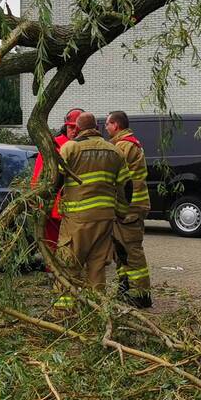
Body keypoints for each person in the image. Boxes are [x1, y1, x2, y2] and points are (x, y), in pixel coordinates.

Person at [53, 111, 126, 309]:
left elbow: (55, 181)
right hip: (104, 218)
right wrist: (121, 211)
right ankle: (96, 312)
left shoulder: (70, 148)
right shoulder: (114, 151)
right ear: (98, 127)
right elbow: (125, 185)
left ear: (78, 128)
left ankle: (64, 311)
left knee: (69, 265)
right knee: (97, 267)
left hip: (77, 219)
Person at [105, 110, 152, 308]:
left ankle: (141, 294)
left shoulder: (122, 146)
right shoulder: (129, 143)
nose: (106, 128)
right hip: (130, 206)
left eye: (107, 124)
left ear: (115, 125)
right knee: (121, 250)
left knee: (132, 250)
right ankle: (126, 287)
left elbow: (115, 175)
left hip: (129, 208)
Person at [30, 108, 83, 251]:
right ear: (65, 127)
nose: (74, 131)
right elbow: (39, 173)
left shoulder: (83, 147)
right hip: (53, 204)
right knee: (52, 240)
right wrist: (36, 198)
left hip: (75, 205)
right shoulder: (54, 145)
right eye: (71, 127)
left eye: (77, 128)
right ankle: (51, 269)